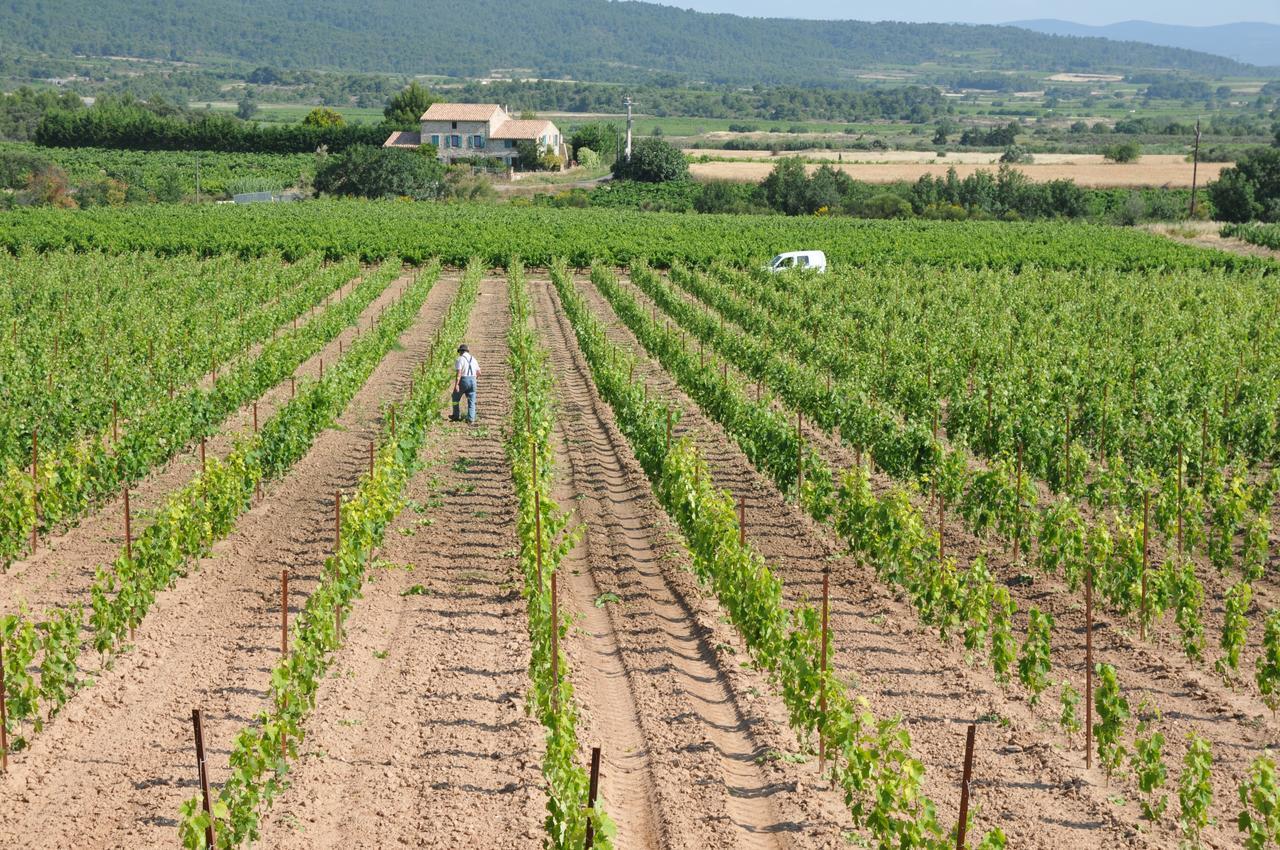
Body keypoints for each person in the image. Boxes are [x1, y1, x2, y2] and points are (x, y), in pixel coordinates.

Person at [452, 343, 480, 423]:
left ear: (461, 351)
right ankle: (471, 419)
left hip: (463, 380)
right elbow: (479, 372)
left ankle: (456, 415)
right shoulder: (474, 359)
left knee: (455, 397)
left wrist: (457, 384)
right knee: (471, 400)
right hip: (473, 380)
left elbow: (459, 373)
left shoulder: (460, 359)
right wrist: (474, 379)